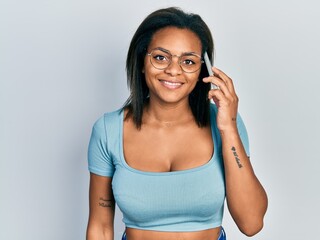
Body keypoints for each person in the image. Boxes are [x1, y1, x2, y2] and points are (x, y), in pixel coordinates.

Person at [86, 7, 267, 240]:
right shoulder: (108, 130)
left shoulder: (225, 123)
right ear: (142, 61)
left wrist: (229, 128)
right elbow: (100, 227)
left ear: (203, 69)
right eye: (160, 57)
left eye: (188, 61)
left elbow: (251, 223)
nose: (173, 70)